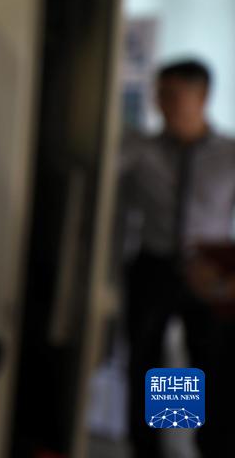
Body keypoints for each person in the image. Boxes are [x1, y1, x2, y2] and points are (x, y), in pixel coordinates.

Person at [118, 59, 235, 457]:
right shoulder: (142, 150)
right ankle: (153, 446)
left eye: (172, 95)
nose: (161, 104)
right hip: (154, 265)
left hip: (210, 271)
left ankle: (207, 446)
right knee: (150, 362)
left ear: (202, 97)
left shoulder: (229, 155)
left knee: (209, 362)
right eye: (159, 94)